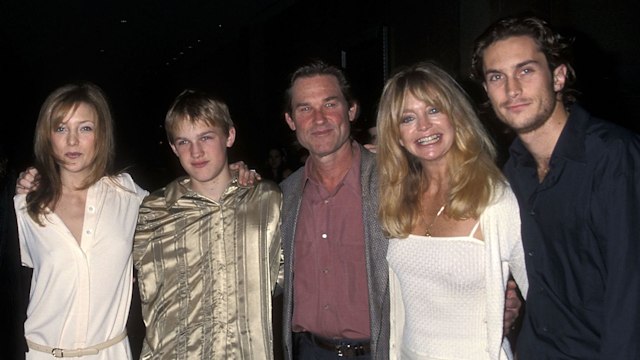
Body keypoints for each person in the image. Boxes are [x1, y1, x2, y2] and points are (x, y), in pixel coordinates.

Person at [279, 60, 522, 360]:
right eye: (305, 108)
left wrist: (501, 297)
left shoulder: (395, 183)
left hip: (380, 351)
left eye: (330, 103)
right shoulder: (283, 196)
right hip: (311, 352)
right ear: (290, 120)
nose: (319, 119)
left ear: (351, 110)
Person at [471, 15, 640, 358]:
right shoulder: (511, 173)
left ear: (559, 76)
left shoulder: (613, 156)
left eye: (526, 70)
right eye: (497, 77)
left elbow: (631, 290)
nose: (512, 89)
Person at [376, 61, 528, 359]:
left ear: (456, 116)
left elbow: (546, 297)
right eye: (408, 118)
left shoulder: (495, 200)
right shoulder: (397, 198)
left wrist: (513, 310)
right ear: (396, 135)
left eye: (434, 110)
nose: (423, 126)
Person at [132, 89, 282, 359]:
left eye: (206, 137)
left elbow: (284, 278)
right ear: (173, 148)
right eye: (184, 142)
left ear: (229, 136)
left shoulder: (267, 200)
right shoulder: (153, 211)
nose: (196, 152)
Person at [14, 82, 148, 359]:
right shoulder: (24, 206)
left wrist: (229, 174)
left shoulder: (127, 195)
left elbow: (185, 203)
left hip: (110, 352)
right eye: (61, 128)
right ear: (47, 136)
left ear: (101, 135)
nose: (72, 141)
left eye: (85, 128)